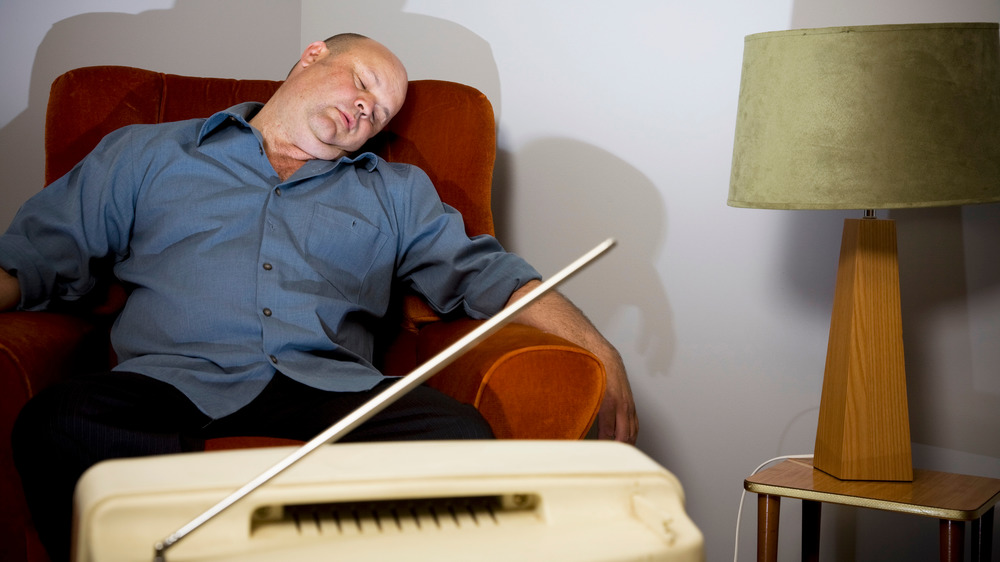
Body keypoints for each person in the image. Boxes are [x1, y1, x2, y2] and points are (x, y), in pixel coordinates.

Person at [0, 33, 637, 560]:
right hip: (167, 379)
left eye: (381, 113)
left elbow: (488, 276)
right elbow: (36, 257)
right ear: (313, 56)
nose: (367, 110)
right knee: (60, 421)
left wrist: (599, 352)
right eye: (362, 83)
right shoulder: (147, 153)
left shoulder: (395, 192)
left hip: (327, 389)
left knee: (458, 435)